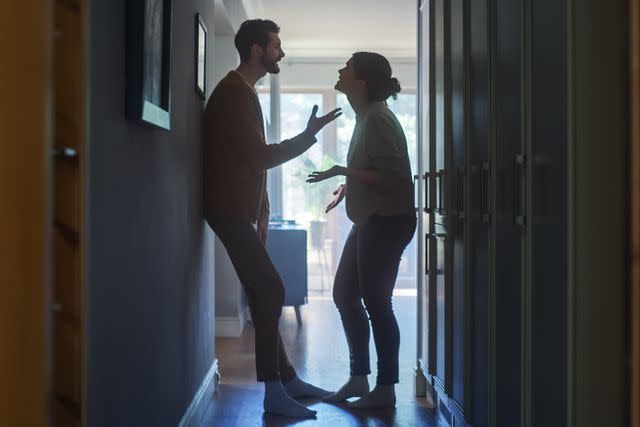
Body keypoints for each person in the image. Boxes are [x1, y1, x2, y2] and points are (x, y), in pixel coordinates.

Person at [203, 19, 341, 418]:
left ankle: (288, 381)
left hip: (237, 212)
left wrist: (261, 212)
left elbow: (249, 160)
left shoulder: (244, 92)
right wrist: (308, 134)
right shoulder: (233, 93)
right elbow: (259, 157)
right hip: (227, 211)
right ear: (257, 50)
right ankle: (275, 394)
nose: (281, 52)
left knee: (265, 292)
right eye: (276, 45)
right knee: (273, 290)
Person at [306, 52, 416, 409]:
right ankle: (358, 378)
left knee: (376, 303)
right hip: (372, 219)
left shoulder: (378, 119)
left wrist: (342, 171)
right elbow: (376, 171)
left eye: (348, 67)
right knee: (344, 294)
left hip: (388, 222)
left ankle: (385, 389)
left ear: (362, 81)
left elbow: (393, 176)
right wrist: (350, 187)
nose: (340, 70)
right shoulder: (366, 116)